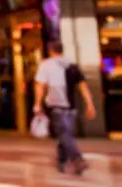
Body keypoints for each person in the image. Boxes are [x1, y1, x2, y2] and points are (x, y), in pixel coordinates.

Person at [34, 39, 97, 174]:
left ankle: (77, 159)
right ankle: (61, 162)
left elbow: (40, 85)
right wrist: (89, 104)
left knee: (64, 134)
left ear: (51, 50)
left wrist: (37, 103)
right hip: (71, 108)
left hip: (56, 105)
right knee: (65, 134)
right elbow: (83, 86)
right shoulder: (72, 65)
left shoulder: (46, 65)